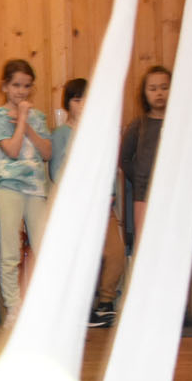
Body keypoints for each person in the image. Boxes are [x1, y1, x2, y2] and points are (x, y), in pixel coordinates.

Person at [50, 77, 128, 329]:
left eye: (87, 99)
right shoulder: (61, 134)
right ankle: (78, 308)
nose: (83, 104)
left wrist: (109, 193)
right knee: (79, 257)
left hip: (102, 204)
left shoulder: (100, 133)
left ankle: (105, 303)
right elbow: (56, 171)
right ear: (68, 103)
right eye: (77, 99)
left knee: (115, 253)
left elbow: (109, 166)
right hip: (75, 206)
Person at [0, 59, 54, 323]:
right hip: (8, 188)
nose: (21, 91)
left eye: (26, 86)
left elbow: (46, 153)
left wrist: (28, 123)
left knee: (43, 247)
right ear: (5, 86)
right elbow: (12, 150)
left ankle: (44, 304)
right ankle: (13, 307)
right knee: (10, 250)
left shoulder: (38, 117)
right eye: (16, 85)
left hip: (35, 189)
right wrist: (22, 119)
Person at [119, 65, 171, 240]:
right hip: (144, 195)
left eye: (164, 87)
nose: (159, 93)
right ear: (145, 93)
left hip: (173, 193)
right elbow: (124, 158)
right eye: (153, 89)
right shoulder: (138, 125)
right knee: (145, 242)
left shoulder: (179, 123)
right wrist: (140, 176)